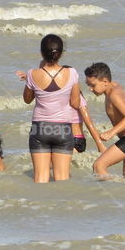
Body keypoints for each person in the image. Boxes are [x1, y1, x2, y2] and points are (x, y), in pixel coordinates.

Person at [17, 34, 82, 183]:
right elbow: (75, 103)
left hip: (40, 128)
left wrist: (29, 80)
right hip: (63, 128)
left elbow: (27, 100)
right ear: (61, 53)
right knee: (62, 181)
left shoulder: (32, 74)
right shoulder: (72, 73)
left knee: (40, 179)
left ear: (41, 53)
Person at [84, 62, 125, 180]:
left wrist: (111, 132)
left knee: (98, 166)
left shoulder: (114, 94)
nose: (90, 89)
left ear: (105, 81)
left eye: (93, 85)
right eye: (88, 85)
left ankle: (109, 193)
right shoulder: (113, 86)